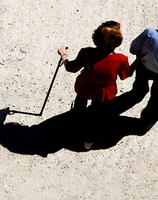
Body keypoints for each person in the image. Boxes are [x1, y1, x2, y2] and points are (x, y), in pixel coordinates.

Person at [57, 21, 135, 149]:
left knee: (80, 104)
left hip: (84, 86)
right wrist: (138, 60)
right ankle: (88, 141)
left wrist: (64, 56)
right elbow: (125, 75)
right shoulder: (121, 59)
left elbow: (71, 68)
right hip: (103, 93)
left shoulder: (86, 52)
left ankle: (76, 122)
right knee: (96, 118)